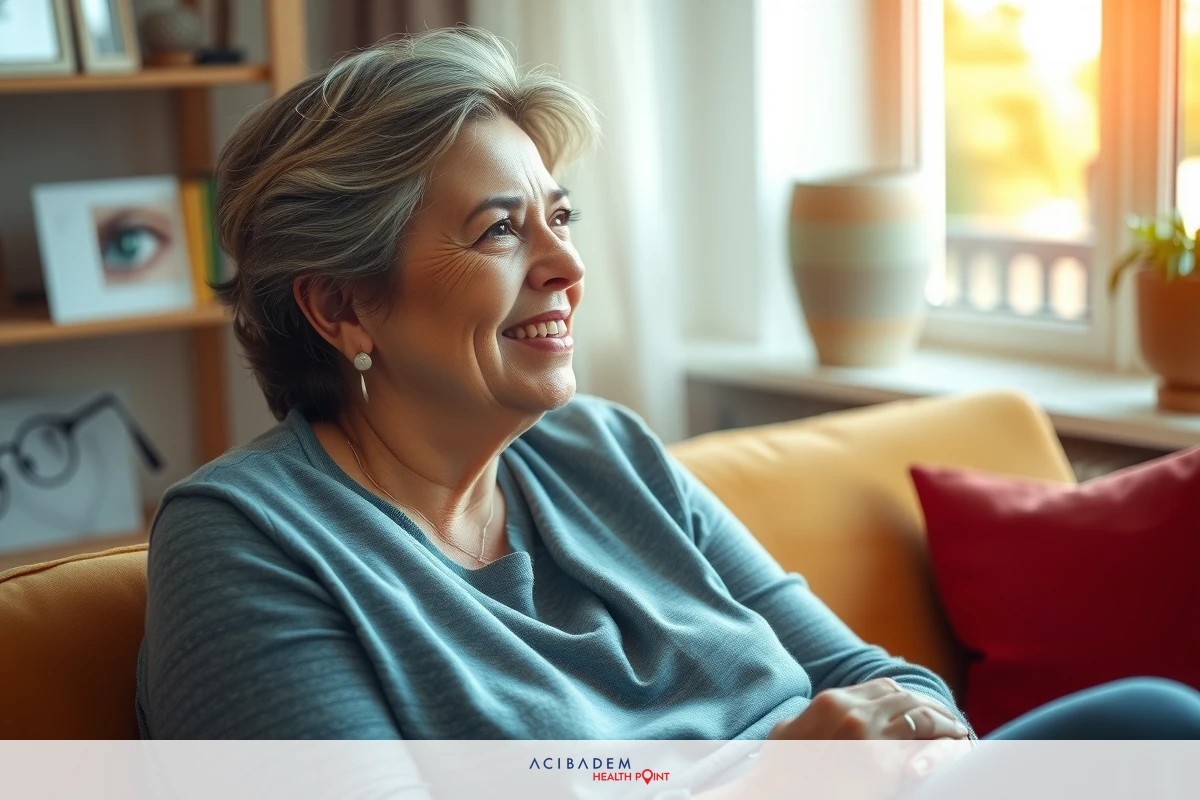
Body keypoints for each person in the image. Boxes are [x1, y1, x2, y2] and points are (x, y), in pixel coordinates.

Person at [135, 25, 1200, 798]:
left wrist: (882, 742)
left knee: (1153, 721)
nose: (566, 263)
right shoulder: (247, 543)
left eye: (561, 215)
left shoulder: (607, 450)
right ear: (342, 304)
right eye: (502, 229)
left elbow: (883, 677)